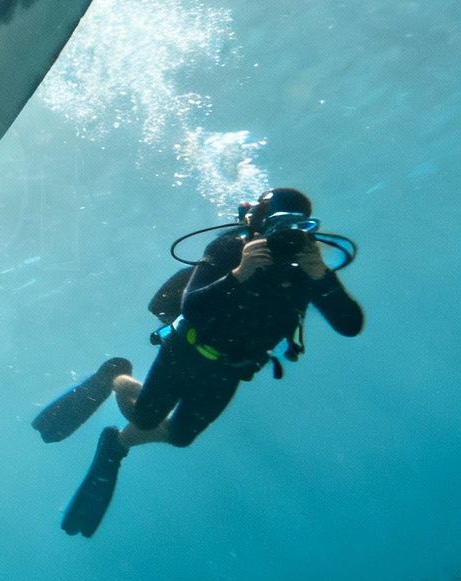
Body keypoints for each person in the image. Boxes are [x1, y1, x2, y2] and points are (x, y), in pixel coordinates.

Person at [32, 187, 363, 537]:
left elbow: (350, 325)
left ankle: (117, 444)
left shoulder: (306, 270)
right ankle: (115, 375)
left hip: (231, 370)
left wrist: (322, 276)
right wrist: (240, 273)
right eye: (278, 224)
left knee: (180, 436)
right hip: (185, 351)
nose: (285, 236)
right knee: (146, 417)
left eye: (297, 227)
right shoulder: (230, 249)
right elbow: (193, 307)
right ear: (259, 223)